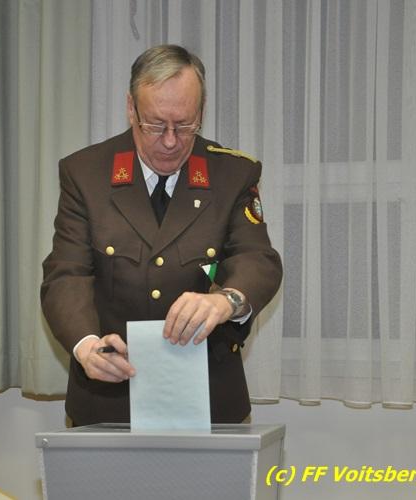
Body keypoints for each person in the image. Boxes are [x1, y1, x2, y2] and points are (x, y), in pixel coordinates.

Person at [41, 44, 282, 426]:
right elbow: (66, 274)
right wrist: (86, 346)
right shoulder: (86, 173)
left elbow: (257, 258)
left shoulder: (232, 174)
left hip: (209, 396)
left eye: (184, 125)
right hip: (108, 396)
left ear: (201, 111)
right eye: (155, 125)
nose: (170, 141)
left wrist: (227, 300)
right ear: (131, 108)